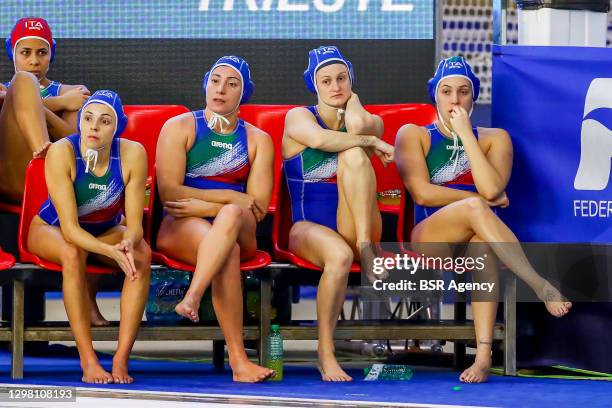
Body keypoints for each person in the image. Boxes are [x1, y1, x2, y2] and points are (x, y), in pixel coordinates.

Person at [395, 56, 572, 384]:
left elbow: (493, 188)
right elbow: (421, 193)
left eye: (463, 92)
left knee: (482, 245)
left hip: (480, 237)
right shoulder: (413, 134)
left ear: (473, 97)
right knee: (478, 210)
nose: (455, 99)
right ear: (435, 96)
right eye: (446, 92)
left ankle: (483, 355)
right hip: (431, 237)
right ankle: (538, 284)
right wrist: (475, 201)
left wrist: (466, 135)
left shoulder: (495, 138)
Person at [155, 56, 275, 383]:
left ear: (243, 93)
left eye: (231, 83)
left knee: (234, 216)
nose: (221, 89)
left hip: (241, 228)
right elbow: (169, 192)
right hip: (182, 225)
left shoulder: (257, 140)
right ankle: (239, 362)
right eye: (215, 80)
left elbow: (258, 207)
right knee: (227, 251)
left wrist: (206, 206)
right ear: (206, 83)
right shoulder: (179, 127)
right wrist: (230, 198)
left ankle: (192, 296)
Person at [282, 46, 394, 381]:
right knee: (339, 257)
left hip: (358, 224)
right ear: (314, 86)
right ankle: (325, 351)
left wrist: (354, 102)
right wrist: (372, 143)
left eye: (342, 79)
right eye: (327, 80)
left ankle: (365, 246)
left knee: (355, 156)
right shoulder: (298, 117)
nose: (335, 87)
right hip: (308, 227)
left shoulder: (369, 120)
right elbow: (319, 138)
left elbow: (361, 125)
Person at [27, 90, 151, 384]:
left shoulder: (133, 153)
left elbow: (135, 225)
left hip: (103, 229)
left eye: (104, 121)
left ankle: (121, 357)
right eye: (88, 118)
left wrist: (127, 243)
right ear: (80, 122)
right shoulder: (62, 152)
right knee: (73, 253)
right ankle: (88, 359)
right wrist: (110, 252)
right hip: (50, 229)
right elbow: (69, 230)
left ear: (117, 126)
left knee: (141, 254)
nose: (94, 127)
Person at [0, 17, 90, 204]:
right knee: (23, 80)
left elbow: (77, 145)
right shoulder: (66, 97)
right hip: (10, 178)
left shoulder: (71, 92)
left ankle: (42, 164)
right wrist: (60, 103)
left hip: (54, 182)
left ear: (51, 53)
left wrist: (29, 103)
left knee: (23, 81)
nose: (34, 61)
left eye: (42, 53)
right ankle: (43, 160)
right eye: (26, 53)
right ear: (12, 52)